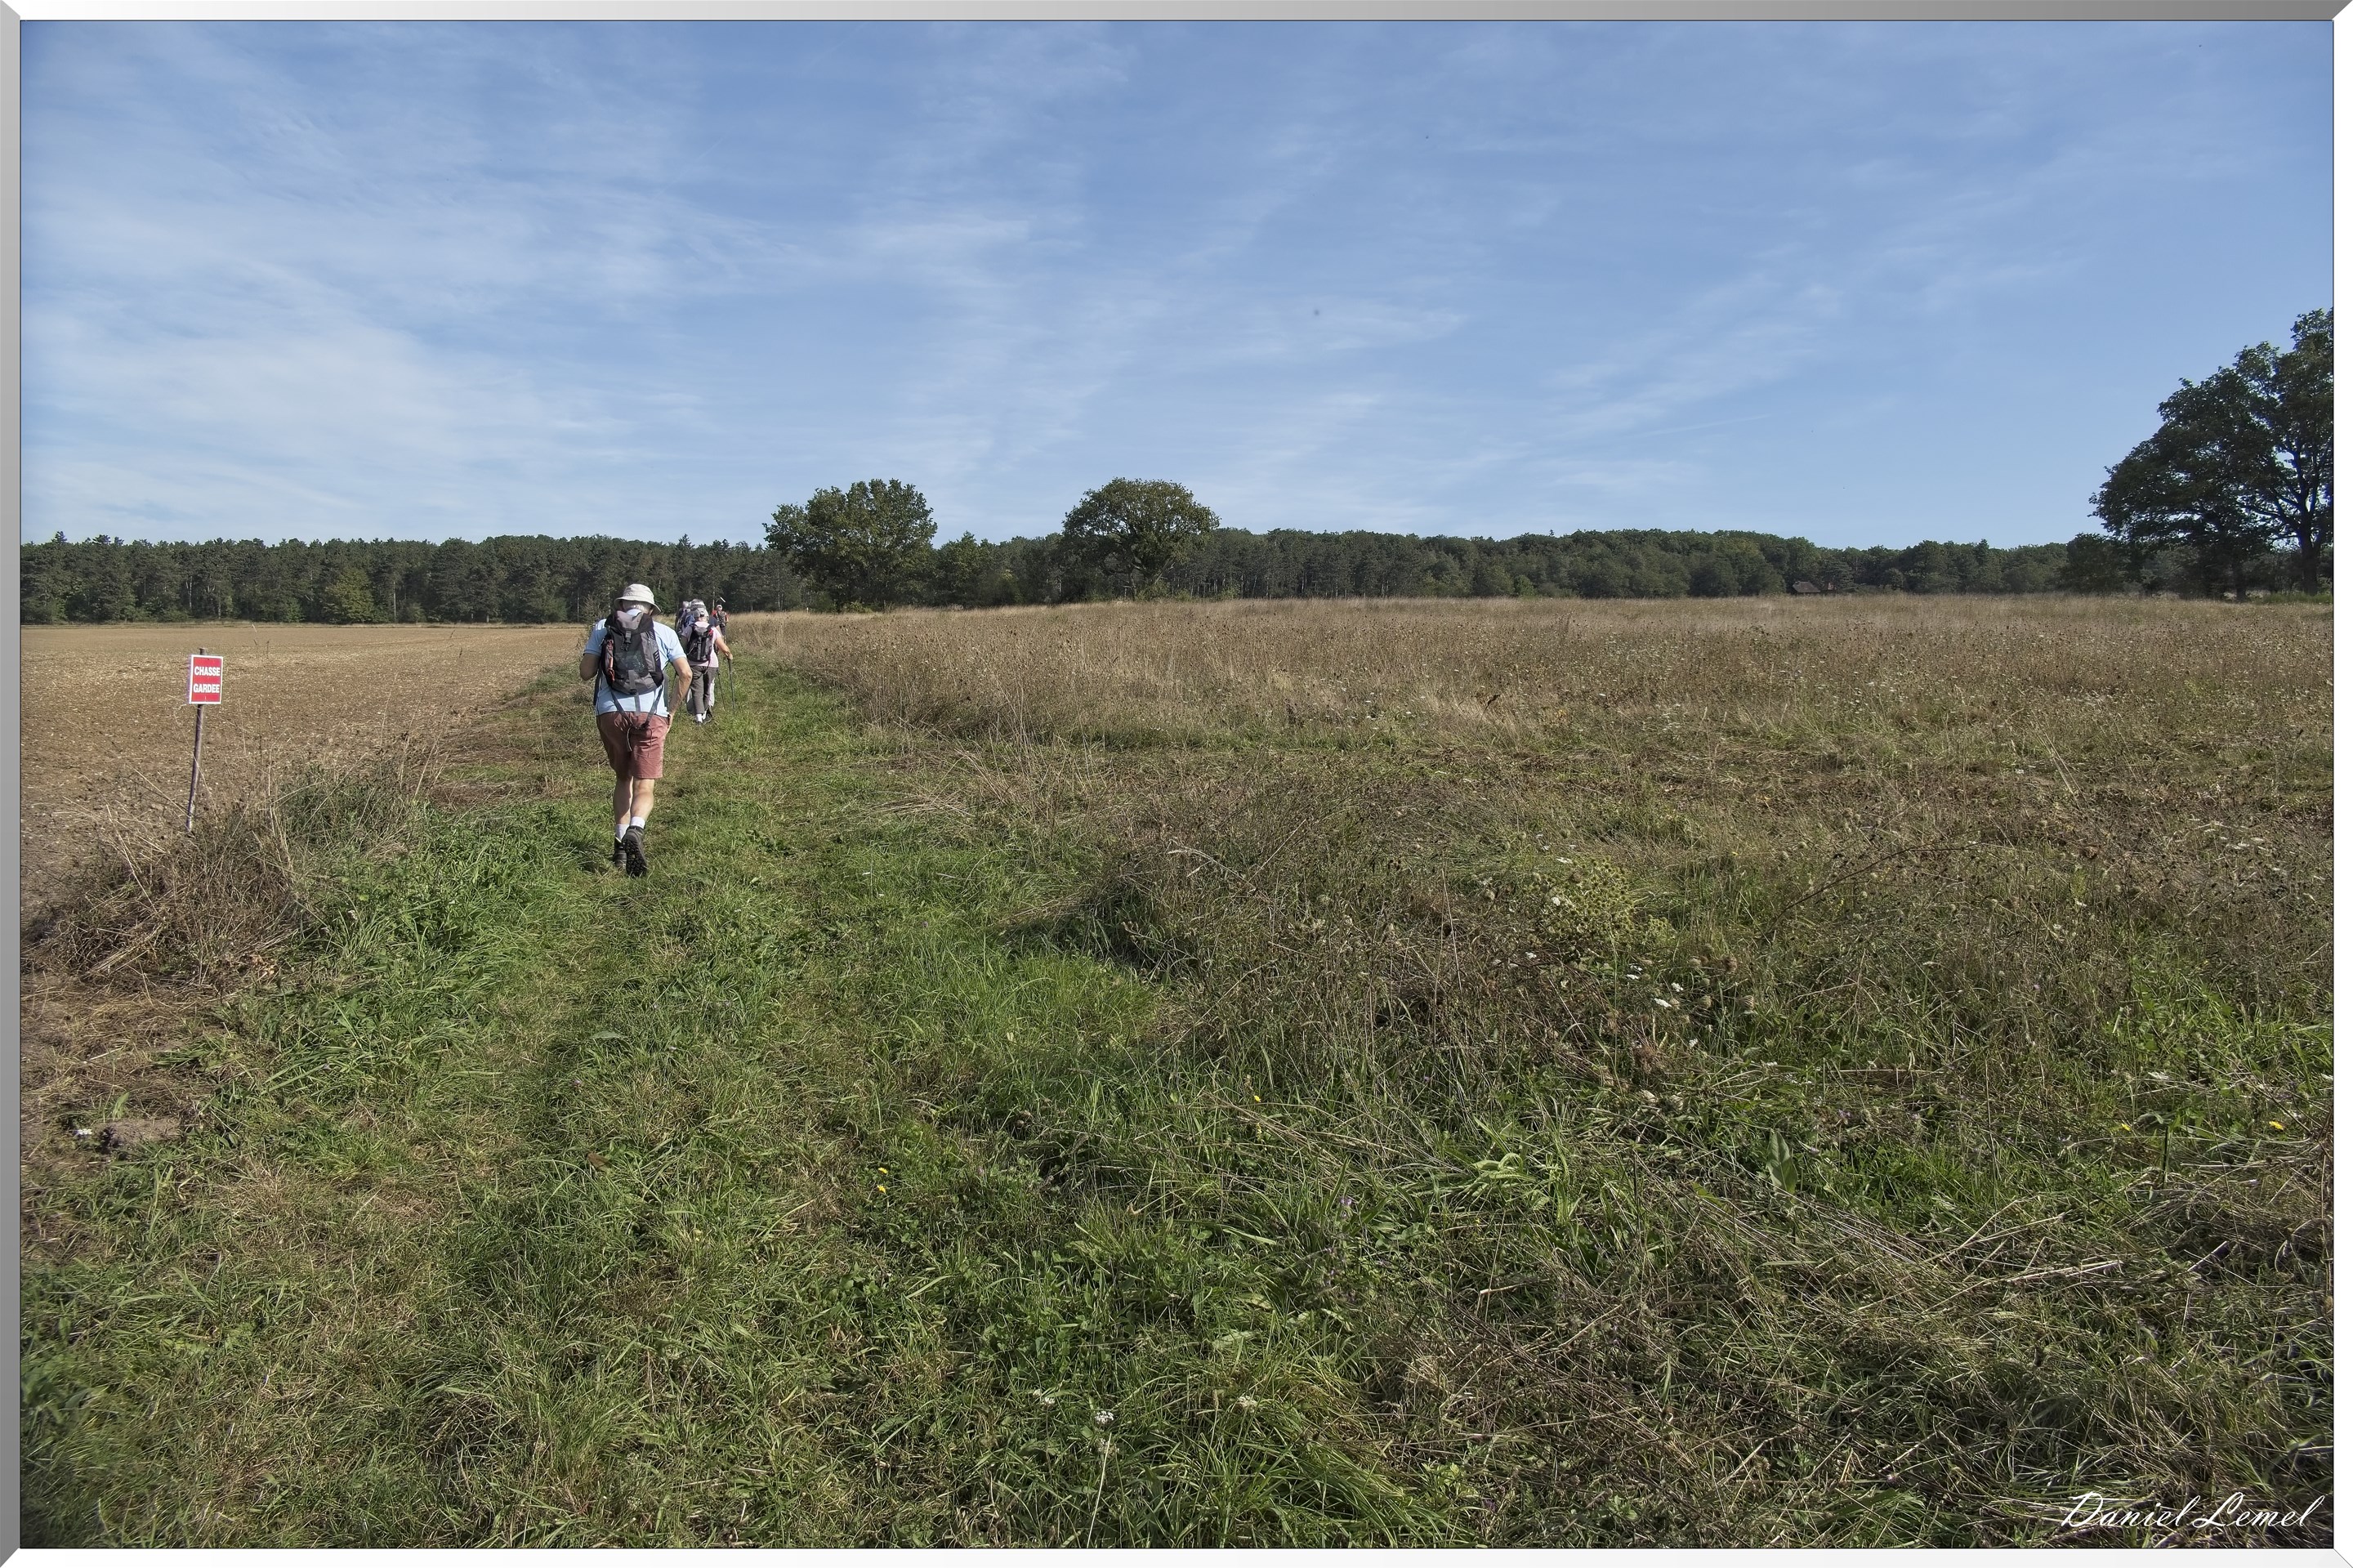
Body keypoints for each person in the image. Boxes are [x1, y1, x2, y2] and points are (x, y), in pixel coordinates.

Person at [578, 583, 690, 876]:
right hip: (652, 715)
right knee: (644, 785)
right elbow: (686, 674)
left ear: (621, 605)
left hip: (610, 712)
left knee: (623, 778)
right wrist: (672, 711)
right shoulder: (664, 632)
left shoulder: (602, 627)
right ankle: (636, 830)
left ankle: (619, 849)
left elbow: (586, 673)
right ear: (650, 609)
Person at [681, 600, 732, 723]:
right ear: (706, 617)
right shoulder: (712, 629)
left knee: (697, 690)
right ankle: (705, 714)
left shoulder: (689, 628)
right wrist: (729, 655)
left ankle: (698, 717)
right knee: (707, 689)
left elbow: (682, 646)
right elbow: (723, 647)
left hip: (693, 663)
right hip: (711, 663)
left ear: (694, 616)